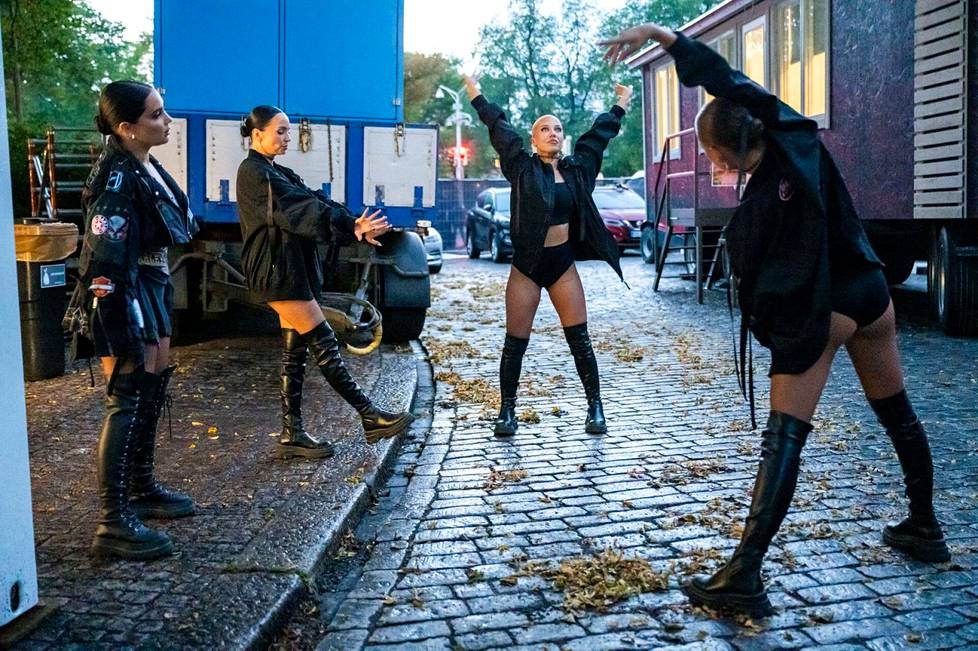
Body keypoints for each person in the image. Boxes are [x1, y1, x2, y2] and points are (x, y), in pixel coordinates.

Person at [600, 25, 950, 616]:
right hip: (871, 293)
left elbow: (764, 296)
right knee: (898, 414)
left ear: (720, 151)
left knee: (783, 435)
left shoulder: (758, 201)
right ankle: (925, 526)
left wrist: (669, 38)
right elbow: (736, 85)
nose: (709, 163)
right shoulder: (798, 143)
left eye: (708, 154)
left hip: (825, 308)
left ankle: (744, 573)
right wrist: (668, 39)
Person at [235, 105, 413, 460]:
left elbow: (316, 200)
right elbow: (301, 210)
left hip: (289, 270)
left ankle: (292, 434)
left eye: (288, 131)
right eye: (281, 131)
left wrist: (353, 223)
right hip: (278, 273)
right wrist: (351, 227)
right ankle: (369, 415)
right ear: (257, 135)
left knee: (295, 351)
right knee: (324, 343)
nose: (288, 138)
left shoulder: (275, 171)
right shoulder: (254, 173)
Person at [463, 75, 632, 437]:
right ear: (533, 139)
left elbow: (598, 137)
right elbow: (498, 126)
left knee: (580, 340)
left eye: (557, 129)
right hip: (527, 268)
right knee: (515, 343)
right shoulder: (521, 168)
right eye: (545, 129)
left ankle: (595, 407)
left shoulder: (578, 170)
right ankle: (507, 410)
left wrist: (621, 103)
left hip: (562, 266)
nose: (553, 133)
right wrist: (476, 94)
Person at [77, 80, 198, 559]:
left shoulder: (144, 166)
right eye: (156, 115)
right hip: (125, 289)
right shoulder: (116, 178)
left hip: (152, 283)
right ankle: (112, 522)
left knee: (152, 387)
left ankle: (142, 488)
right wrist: (118, 324)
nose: (166, 121)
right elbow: (105, 260)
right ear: (127, 128)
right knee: (125, 397)